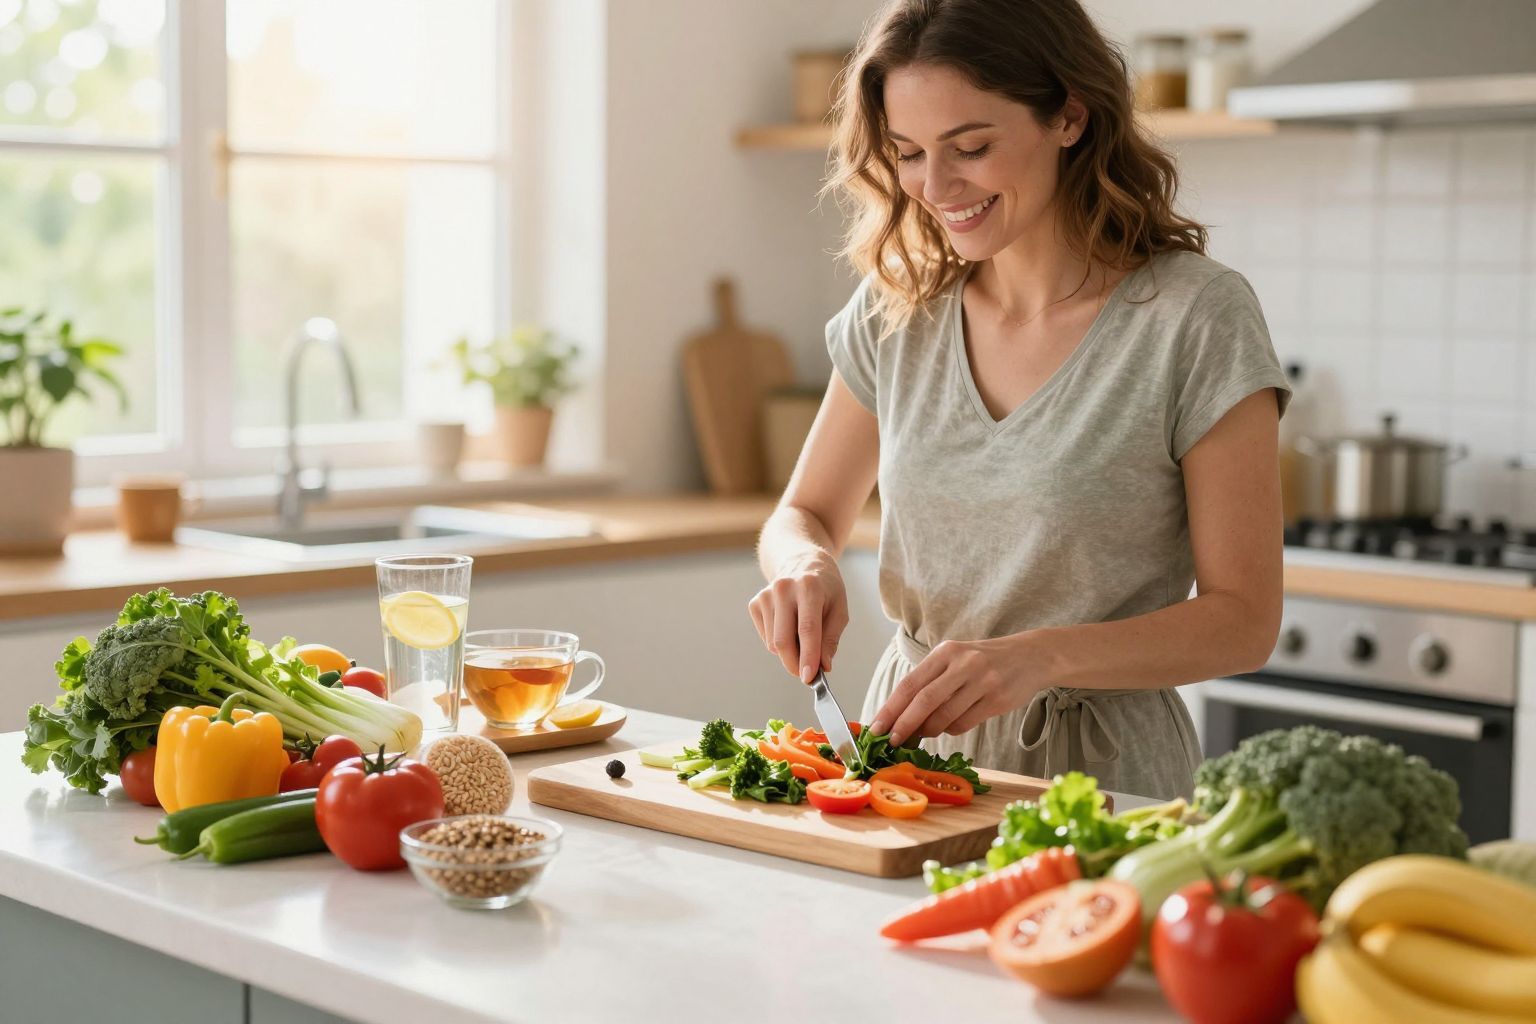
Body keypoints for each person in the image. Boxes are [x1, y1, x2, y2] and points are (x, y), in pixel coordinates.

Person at [748, 0, 1290, 799]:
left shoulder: (1195, 318)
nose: (936, 186)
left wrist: (1037, 657)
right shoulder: (898, 308)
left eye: (971, 147)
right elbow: (805, 514)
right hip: (907, 766)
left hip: (1104, 783)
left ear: (1068, 116)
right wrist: (802, 563)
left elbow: (1245, 619)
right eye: (908, 153)